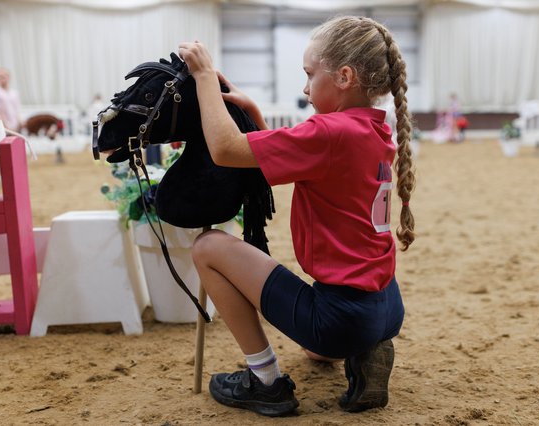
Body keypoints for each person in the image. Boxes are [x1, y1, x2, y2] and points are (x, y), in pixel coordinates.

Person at [178, 15, 415, 417]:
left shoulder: (328, 132)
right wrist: (253, 110)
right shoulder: (373, 129)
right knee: (315, 349)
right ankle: (368, 346)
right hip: (384, 306)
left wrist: (203, 76)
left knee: (207, 247)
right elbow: (296, 158)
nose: (305, 88)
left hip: (340, 314)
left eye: (310, 75)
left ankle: (265, 381)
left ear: (344, 76)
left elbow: (224, 149)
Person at [0, 67, 22, 132]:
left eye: (4, 76)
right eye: (0, 77)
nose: (2, 79)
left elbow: (17, 110)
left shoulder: (14, 93)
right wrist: (5, 126)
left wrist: (20, 123)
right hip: (4, 128)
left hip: (16, 127)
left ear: (9, 77)